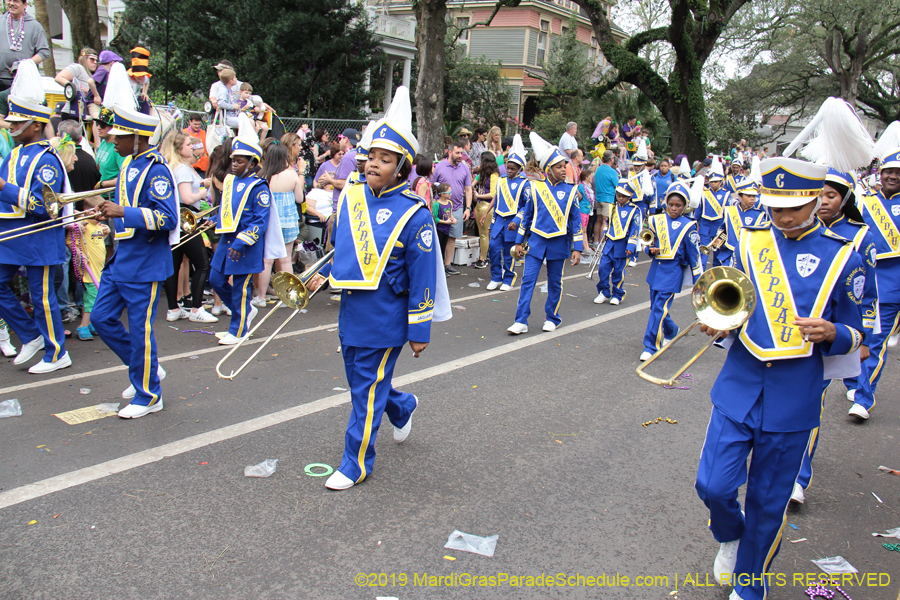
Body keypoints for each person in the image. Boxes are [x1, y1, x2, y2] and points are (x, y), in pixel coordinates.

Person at [695, 157, 865, 600]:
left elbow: (864, 333)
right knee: (712, 485)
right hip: (740, 383)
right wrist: (720, 322)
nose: (783, 217)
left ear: (815, 201)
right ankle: (731, 534)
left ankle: (750, 587)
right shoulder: (751, 243)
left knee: (769, 503)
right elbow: (736, 301)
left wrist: (834, 332)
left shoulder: (845, 256)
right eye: (774, 207)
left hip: (794, 395)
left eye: (793, 207)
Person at [307, 86, 448, 491]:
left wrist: (419, 331)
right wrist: (324, 274)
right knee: (362, 385)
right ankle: (402, 407)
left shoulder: (415, 214)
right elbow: (349, 251)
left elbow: (424, 277)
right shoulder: (352, 197)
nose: (373, 164)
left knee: (365, 391)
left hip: (387, 318)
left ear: (402, 168)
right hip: (352, 311)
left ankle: (356, 462)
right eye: (372, 156)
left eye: (385, 160)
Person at [792, 168, 878, 504]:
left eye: (832, 195)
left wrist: (863, 339)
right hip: (783, 337)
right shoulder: (787, 230)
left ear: (845, 200)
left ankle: (796, 479)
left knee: (808, 406)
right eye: (820, 194)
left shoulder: (860, 237)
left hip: (824, 340)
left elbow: (866, 295)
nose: (825, 201)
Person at [91, 95, 179, 418]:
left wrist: (123, 212)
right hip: (121, 259)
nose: (112, 142)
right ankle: (147, 369)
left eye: (119, 137)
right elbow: (124, 210)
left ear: (138, 138)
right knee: (101, 318)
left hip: (145, 263)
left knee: (141, 331)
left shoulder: (158, 171)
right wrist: (109, 216)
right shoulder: (128, 164)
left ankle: (149, 394)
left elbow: (167, 217)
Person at [0, 61, 71, 373]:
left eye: (20, 122)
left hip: (37, 236)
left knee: (43, 298)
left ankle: (57, 352)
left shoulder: (47, 160)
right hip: (10, 235)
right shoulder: (13, 154)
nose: (13, 126)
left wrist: (5, 188)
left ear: (37, 125)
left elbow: (46, 206)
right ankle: (31, 335)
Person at [507, 132, 582, 335]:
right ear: (548, 169)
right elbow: (527, 217)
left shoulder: (571, 190)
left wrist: (578, 248)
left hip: (559, 243)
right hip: (537, 242)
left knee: (555, 282)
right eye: (558, 167)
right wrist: (519, 242)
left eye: (564, 166)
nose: (563, 170)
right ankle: (521, 320)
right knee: (528, 280)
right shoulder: (535, 188)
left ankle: (552, 318)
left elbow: (576, 221)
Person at [849, 146, 900, 420]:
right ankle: (860, 393)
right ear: (880, 174)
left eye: (898, 173)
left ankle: (862, 395)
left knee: (878, 342)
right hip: (876, 286)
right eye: (889, 171)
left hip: (894, 286)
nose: (893, 176)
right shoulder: (865, 201)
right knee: (871, 341)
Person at [208, 120, 270, 346]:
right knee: (215, 279)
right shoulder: (230, 180)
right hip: (227, 240)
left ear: (253, 163)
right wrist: (212, 221)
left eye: (240, 161)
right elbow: (227, 211)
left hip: (245, 245)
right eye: (233, 160)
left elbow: (259, 222)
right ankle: (243, 311)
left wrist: (242, 243)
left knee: (240, 288)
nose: (234, 164)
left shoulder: (259, 187)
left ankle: (239, 329)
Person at [639, 181, 702, 361]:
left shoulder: (689, 225)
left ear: (685, 206)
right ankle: (671, 330)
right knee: (655, 307)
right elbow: (648, 243)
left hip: (673, 273)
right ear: (665, 203)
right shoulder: (656, 220)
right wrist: (649, 250)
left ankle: (651, 345)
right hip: (655, 271)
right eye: (671, 204)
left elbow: (693, 254)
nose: (674, 208)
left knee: (659, 308)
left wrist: (698, 279)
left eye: (678, 205)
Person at [160, 130, 216, 323]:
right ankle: (196, 308)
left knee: (174, 265)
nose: (191, 147)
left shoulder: (175, 167)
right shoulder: (182, 169)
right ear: (178, 148)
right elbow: (187, 198)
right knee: (202, 263)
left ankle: (173, 308)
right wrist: (203, 191)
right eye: (187, 145)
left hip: (179, 220)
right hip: (187, 219)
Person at [256, 141, 304, 304]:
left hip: (269, 222)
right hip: (289, 221)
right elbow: (300, 198)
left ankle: (261, 296)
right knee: (285, 259)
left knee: (267, 259)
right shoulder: (292, 175)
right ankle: (288, 297)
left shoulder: (262, 176)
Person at [486, 135, 527, 291]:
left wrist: (517, 220)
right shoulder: (501, 180)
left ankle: (508, 278)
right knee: (493, 248)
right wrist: (492, 222)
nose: (509, 171)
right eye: (508, 167)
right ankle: (496, 277)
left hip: (512, 223)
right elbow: (497, 203)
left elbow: (526, 206)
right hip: (499, 221)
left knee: (510, 252)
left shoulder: (524, 184)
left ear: (519, 169)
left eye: (513, 169)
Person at [592, 179, 640, 306]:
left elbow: (635, 229)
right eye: (618, 195)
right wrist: (605, 234)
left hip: (622, 245)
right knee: (603, 268)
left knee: (618, 271)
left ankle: (618, 294)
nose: (620, 198)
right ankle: (604, 292)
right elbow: (608, 223)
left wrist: (631, 246)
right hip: (610, 244)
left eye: (623, 196)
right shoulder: (613, 207)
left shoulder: (635, 210)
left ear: (629, 196)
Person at [432, 141, 472, 275]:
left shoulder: (464, 167)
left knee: (452, 237)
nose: (460, 156)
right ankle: (437, 265)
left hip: (457, 207)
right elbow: (432, 185)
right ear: (450, 152)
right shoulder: (439, 166)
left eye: (462, 153)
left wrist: (468, 208)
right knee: (439, 237)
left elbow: (468, 189)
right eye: (457, 153)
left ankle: (447, 265)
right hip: (440, 208)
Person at [714, 178, 768, 268]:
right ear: (740, 196)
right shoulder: (729, 210)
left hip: (748, 254)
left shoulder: (760, 215)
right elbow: (722, 228)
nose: (752, 199)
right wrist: (718, 238)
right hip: (729, 252)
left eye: (754, 196)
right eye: (749, 196)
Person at [0, 0, 50, 91]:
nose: (11, 3)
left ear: (25, 4)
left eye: (16, 1)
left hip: (22, 81)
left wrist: (23, 66)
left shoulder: (35, 26)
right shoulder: (1, 20)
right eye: (10, 0)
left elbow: (44, 52)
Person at [695, 157, 728, 269]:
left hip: (719, 226)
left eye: (716, 182)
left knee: (718, 252)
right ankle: (701, 272)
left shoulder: (726, 195)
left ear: (721, 182)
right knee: (703, 250)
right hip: (705, 225)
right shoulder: (704, 193)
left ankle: (716, 272)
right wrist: (695, 223)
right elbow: (699, 210)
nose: (713, 184)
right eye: (711, 181)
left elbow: (728, 214)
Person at [54, 48, 101, 119]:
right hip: (72, 113)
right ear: (84, 59)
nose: (95, 62)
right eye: (92, 59)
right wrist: (77, 90)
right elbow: (59, 78)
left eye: (96, 60)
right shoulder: (78, 68)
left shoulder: (93, 76)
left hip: (84, 114)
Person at [472, 151, 499, 269]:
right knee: (482, 233)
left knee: (484, 234)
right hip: (479, 205)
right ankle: (484, 256)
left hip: (487, 206)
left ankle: (483, 258)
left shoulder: (494, 175)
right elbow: (472, 184)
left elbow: (493, 194)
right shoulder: (483, 174)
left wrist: (477, 195)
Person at [593, 150, 618, 248]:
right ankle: (602, 243)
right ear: (611, 159)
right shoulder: (612, 171)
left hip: (598, 197)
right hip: (608, 198)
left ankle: (596, 241)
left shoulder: (598, 169)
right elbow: (617, 185)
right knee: (605, 221)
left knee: (598, 220)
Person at [95, 109, 125, 188]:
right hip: (100, 192)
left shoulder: (118, 148)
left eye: (102, 125)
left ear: (113, 127)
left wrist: (103, 184)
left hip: (110, 195)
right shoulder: (103, 142)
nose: (98, 127)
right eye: (97, 124)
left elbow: (124, 177)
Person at [126, 47, 152, 115]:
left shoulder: (144, 78)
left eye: (142, 76)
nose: (140, 79)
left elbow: (147, 81)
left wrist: (144, 92)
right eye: (138, 76)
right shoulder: (126, 77)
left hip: (136, 100)